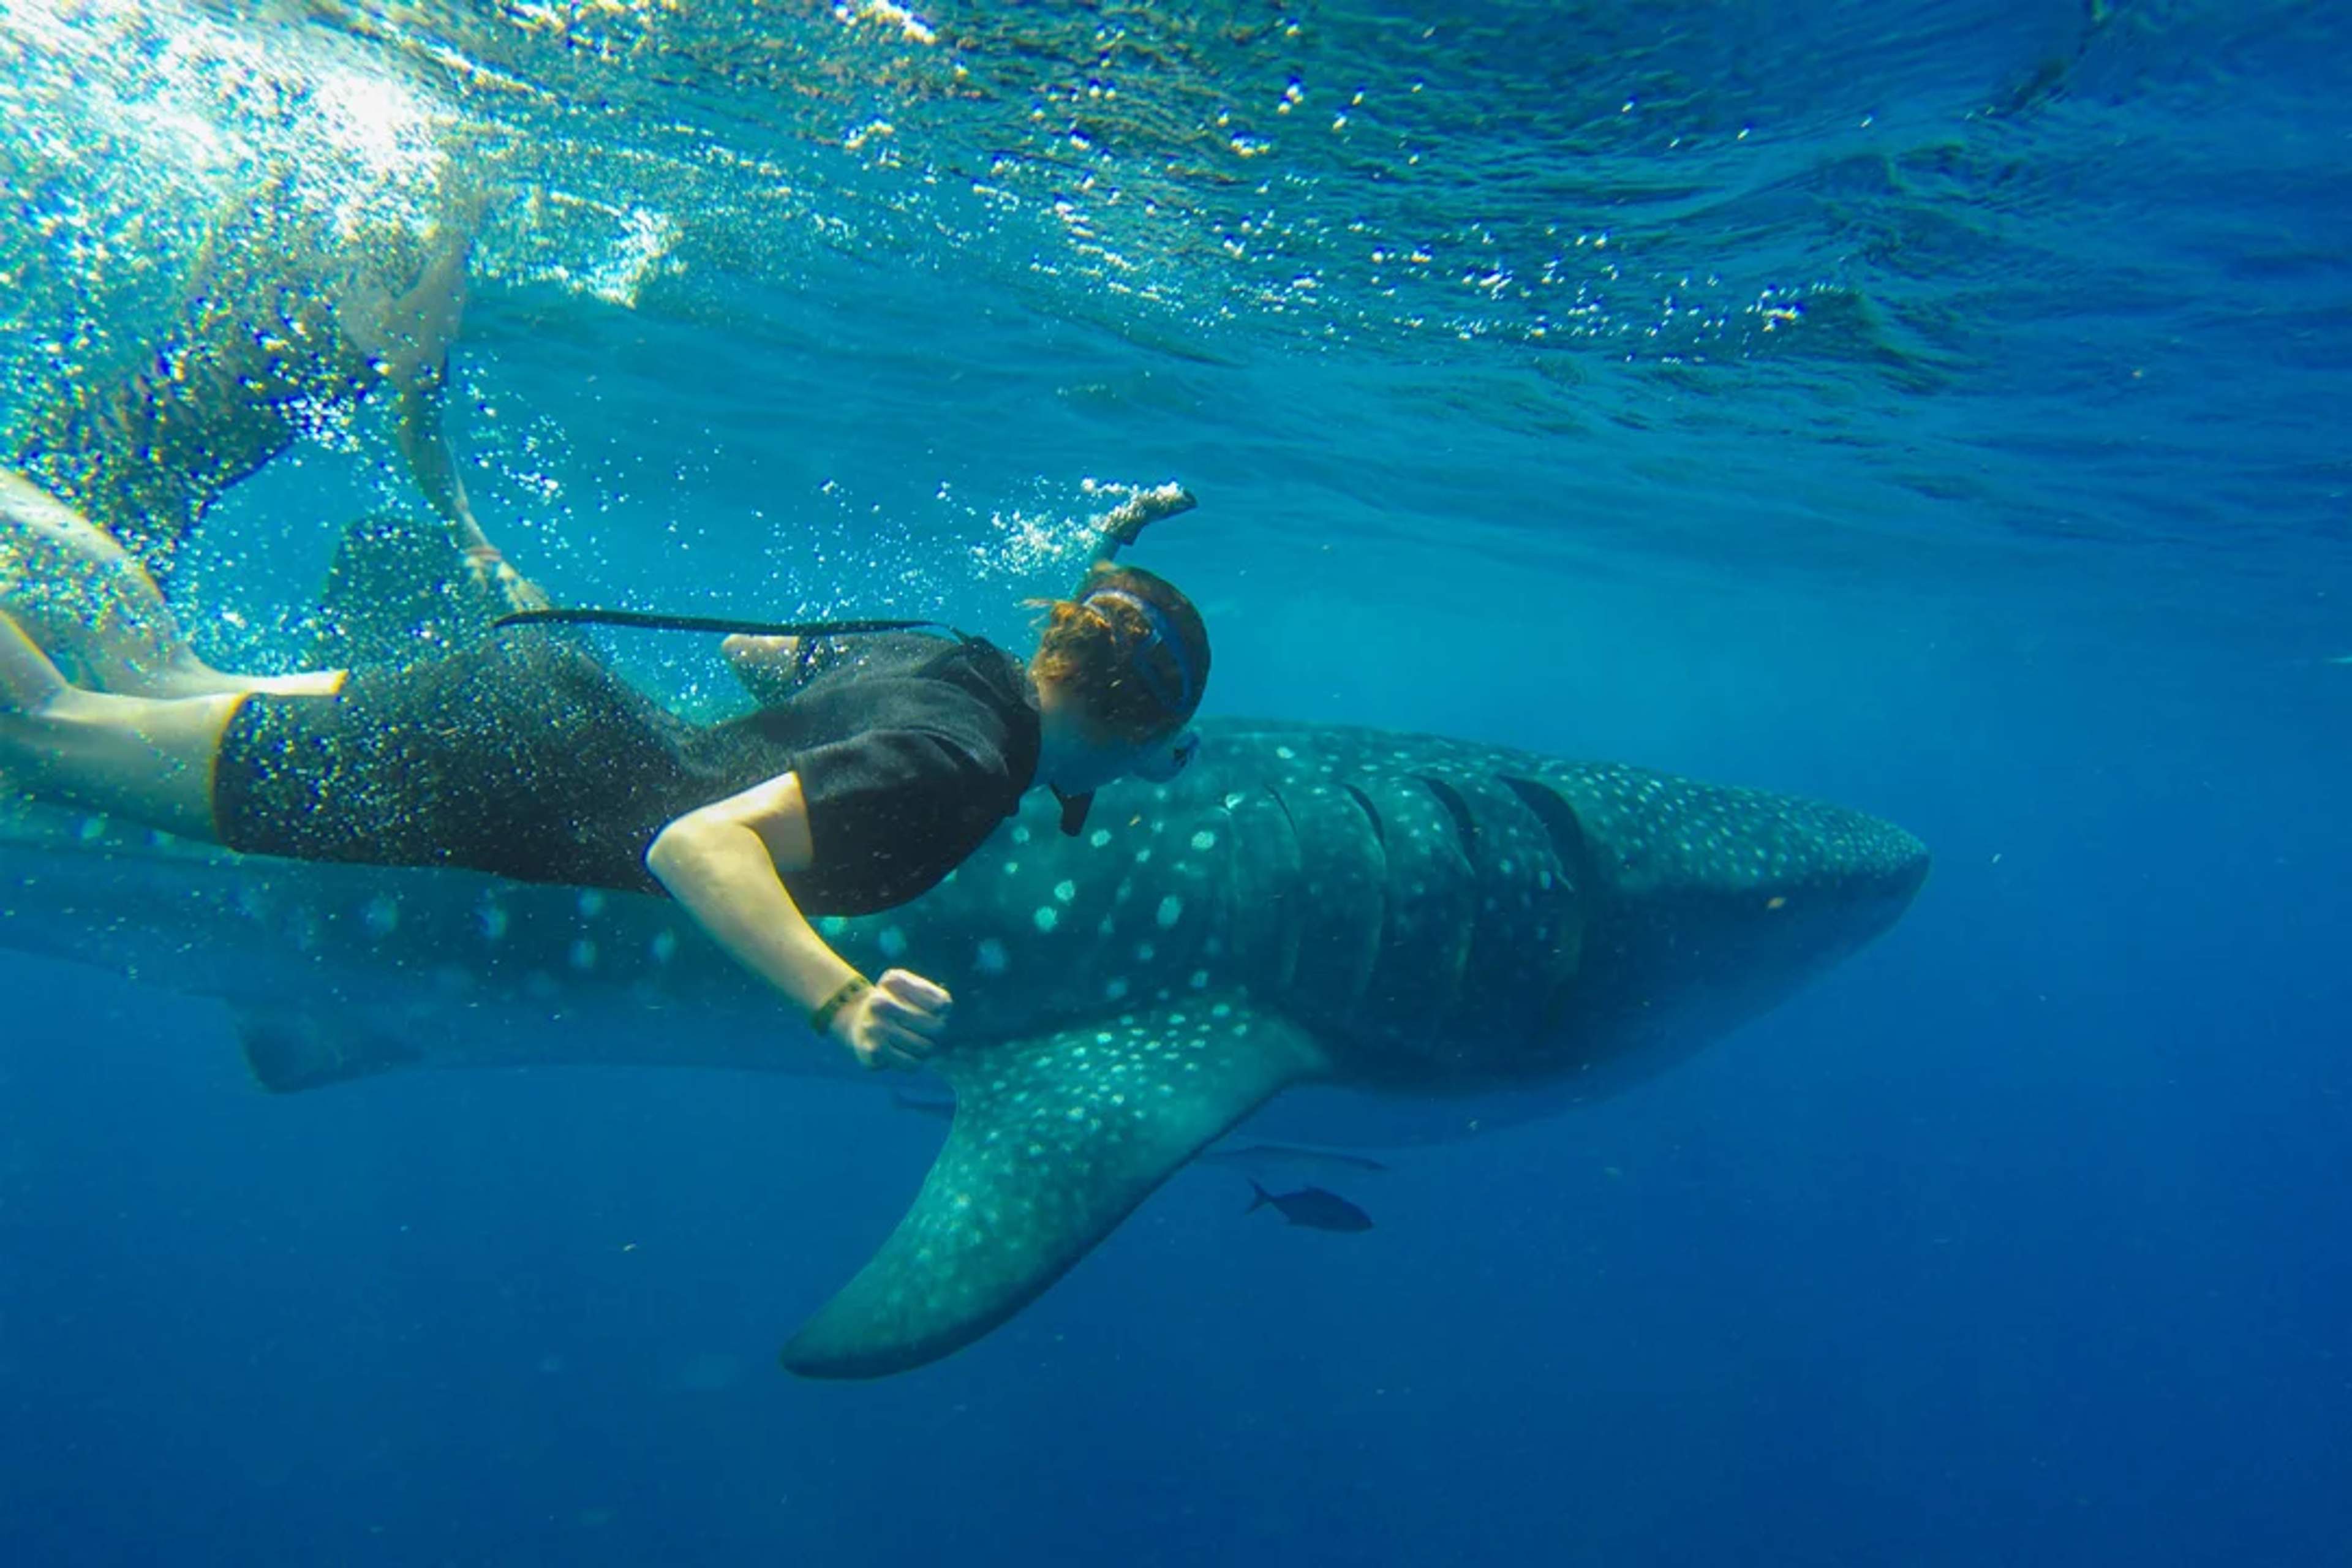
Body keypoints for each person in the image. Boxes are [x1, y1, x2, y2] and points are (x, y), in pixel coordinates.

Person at [0, 476, 1208, 1072]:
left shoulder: (960, 663)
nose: (1179, 762)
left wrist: (1101, 559)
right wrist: (841, 1001)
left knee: (158, 678)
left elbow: (757, 658)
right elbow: (694, 847)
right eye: (1180, 737)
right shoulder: (960, 763)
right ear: (1145, 731)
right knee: (40, 733)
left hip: (528, 706)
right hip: (475, 772)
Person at [7, 177, 538, 610]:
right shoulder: (348, 245)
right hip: (114, 445)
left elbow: (420, 429)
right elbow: (410, 352)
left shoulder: (403, 294)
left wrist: (471, 535)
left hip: (162, 496)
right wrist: (458, 228)